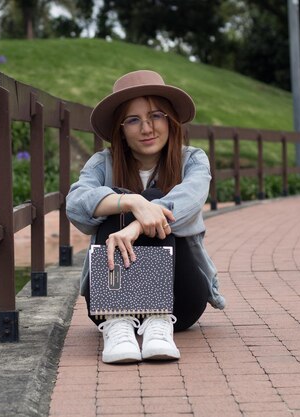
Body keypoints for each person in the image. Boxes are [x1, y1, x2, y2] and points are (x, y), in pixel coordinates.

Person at [66, 70, 226, 364]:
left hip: (180, 300)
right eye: (134, 120)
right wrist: (130, 201)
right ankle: (118, 324)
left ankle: (158, 323)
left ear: (170, 121)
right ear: (121, 130)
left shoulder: (193, 160)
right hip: (110, 300)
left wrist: (138, 224)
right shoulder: (103, 163)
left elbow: (188, 201)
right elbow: (75, 203)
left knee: (154, 201)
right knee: (123, 199)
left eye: (156, 115)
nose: (147, 128)